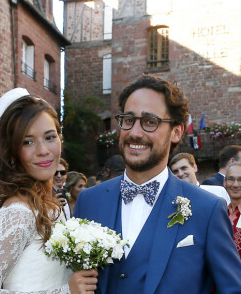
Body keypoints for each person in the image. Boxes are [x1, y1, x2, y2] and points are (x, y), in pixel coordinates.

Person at [73, 74, 241, 293]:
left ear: (176, 131)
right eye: (129, 120)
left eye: (150, 122)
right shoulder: (89, 200)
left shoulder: (207, 209)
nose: (134, 132)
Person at [0, 89, 97, 294]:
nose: (42, 150)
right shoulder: (18, 212)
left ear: (60, 139)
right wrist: (65, 292)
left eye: (50, 137)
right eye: (28, 141)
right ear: (13, 152)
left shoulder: (46, 204)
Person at [224, 162, 241, 258]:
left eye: (240, 179)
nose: (235, 185)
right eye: (231, 179)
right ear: (224, 182)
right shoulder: (221, 212)